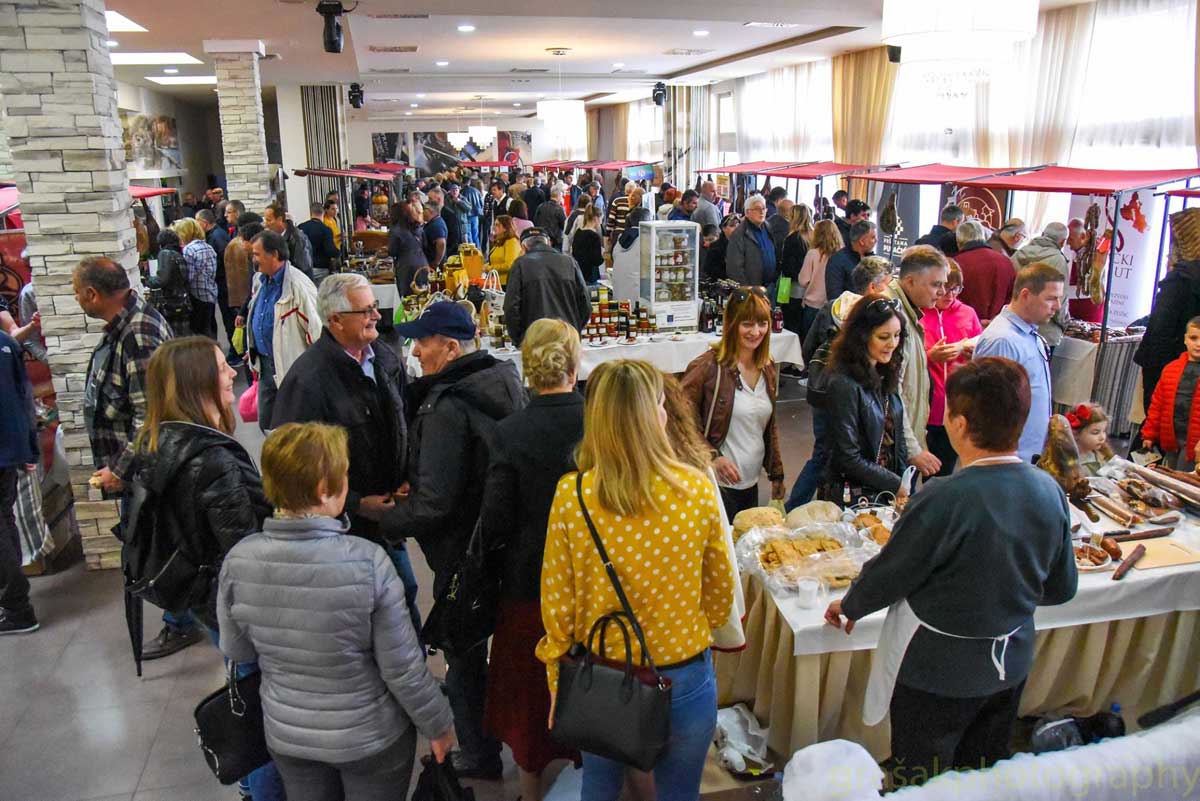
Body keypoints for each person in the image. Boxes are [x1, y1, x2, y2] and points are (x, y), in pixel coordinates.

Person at [825, 357, 1077, 787]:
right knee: (984, 774)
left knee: (922, 777)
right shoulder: (1048, 489)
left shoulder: (944, 497)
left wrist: (850, 605)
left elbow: (893, 571)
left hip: (937, 671)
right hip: (1010, 663)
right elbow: (1061, 588)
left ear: (957, 425)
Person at [217, 423, 455, 801]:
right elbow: (403, 670)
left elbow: (238, 651)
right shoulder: (369, 563)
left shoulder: (238, 561)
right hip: (370, 739)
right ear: (324, 490)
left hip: (289, 736)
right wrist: (439, 725)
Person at [535, 359, 734, 801]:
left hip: (603, 677)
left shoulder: (573, 495)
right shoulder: (697, 489)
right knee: (680, 793)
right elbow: (720, 593)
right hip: (684, 677)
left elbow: (557, 605)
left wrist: (556, 680)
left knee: (600, 787)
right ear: (654, 415)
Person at [361, 302, 525, 780]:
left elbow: (434, 504)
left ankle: (476, 752)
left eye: (423, 342)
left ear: (451, 347)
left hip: (463, 551)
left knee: (464, 649)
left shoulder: (445, 405)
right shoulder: (502, 380)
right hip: (505, 538)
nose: (414, 351)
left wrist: (382, 517)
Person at [130, 336, 285, 799]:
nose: (231, 373)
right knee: (256, 707)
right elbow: (245, 550)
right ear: (198, 383)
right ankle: (260, 790)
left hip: (202, 598)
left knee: (241, 686)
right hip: (233, 605)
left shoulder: (157, 440)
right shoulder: (213, 457)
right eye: (221, 367)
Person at [271, 273, 421, 631]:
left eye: (374, 308)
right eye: (365, 310)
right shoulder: (308, 380)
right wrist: (355, 503)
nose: (377, 317)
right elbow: (294, 471)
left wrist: (408, 477)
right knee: (370, 612)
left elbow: (407, 422)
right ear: (335, 319)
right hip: (343, 530)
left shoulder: (384, 358)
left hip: (387, 520)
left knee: (403, 594)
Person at [480, 320, 585, 801]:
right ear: (574, 361)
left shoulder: (509, 432)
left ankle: (530, 791)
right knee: (592, 685)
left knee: (528, 695)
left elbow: (496, 519)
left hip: (529, 579)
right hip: (592, 578)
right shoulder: (598, 420)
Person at [681, 287, 784, 518]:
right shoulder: (707, 367)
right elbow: (680, 422)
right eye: (747, 323)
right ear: (731, 323)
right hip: (716, 486)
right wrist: (712, 457)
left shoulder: (767, 367)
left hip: (751, 483)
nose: (755, 332)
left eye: (762, 323)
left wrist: (776, 474)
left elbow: (770, 426)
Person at [818, 295, 909, 506]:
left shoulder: (885, 372)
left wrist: (904, 480)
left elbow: (898, 436)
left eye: (897, 336)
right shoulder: (843, 383)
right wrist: (895, 483)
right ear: (862, 336)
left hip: (884, 491)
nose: (892, 344)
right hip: (854, 497)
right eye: (883, 337)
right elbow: (847, 456)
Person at [973, 262, 1063, 463]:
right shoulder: (1003, 340)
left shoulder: (1031, 335)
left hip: (1026, 457)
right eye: (1051, 298)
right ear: (1025, 295)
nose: (1057, 307)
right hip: (1007, 461)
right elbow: (989, 407)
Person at [238, 230, 323, 433]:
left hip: (292, 370)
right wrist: (254, 345)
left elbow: (316, 330)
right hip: (266, 367)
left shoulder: (299, 287)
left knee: (294, 427)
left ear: (274, 254)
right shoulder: (260, 280)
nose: (254, 259)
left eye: (257, 254)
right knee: (268, 424)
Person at [886, 245, 951, 479]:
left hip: (901, 444)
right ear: (910, 281)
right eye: (936, 284)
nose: (942, 292)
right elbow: (891, 392)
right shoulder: (892, 317)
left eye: (944, 284)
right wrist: (913, 449)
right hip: (891, 451)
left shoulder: (907, 312)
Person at [1134, 207, 1200, 410]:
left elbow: (1160, 327)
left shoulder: (1180, 279)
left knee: (1159, 417)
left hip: (1166, 362)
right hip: (1185, 359)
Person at [922, 264, 982, 476]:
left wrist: (968, 350)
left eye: (956, 289)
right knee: (909, 474)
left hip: (956, 406)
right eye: (946, 288)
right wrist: (930, 356)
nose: (950, 295)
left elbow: (981, 348)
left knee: (943, 473)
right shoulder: (919, 312)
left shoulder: (968, 313)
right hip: (924, 407)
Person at [0, 329, 39, 635]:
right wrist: (29, 444)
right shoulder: (6, 342)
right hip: (11, 448)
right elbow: (24, 395)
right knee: (5, 519)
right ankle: (14, 601)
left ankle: (17, 607)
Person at [503, 228, 592, 346]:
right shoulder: (569, 262)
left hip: (536, 341)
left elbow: (511, 307)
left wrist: (520, 339)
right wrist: (574, 329)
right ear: (548, 242)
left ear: (523, 248)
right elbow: (585, 305)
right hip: (567, 340)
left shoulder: (520, 265)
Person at [1141, 317, 1200, 471]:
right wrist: (1149, 433)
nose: (1198, 344)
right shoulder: (1171, 369)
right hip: (1171, 439)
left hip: (1195, 443)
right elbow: (1158, 404)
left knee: (1184, 481)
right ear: (1185, 339)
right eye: (1194, 338)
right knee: (1172, 475)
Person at [1012, 222, 1072, 351]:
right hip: (1045, 332)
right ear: (1062, 242)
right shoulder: (1058, 260)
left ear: (1043, 234)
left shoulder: (1018, 254)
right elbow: (1059, 302)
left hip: (1017, 326)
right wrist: (1065, 323)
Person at [955, 218, 1016, 328]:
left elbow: (952, 298)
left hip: (965, 326)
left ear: (959, 241)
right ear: (983, 236)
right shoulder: (1005, 261)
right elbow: (1013, 296)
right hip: (999, 325)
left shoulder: (956, 264)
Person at [793, 219, 843, 343]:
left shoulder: (813, 254)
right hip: (834, 306)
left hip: (812, 305)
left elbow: (803, 280)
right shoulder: (841, 255)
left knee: (809, 343)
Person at [174, 218, 220, 340]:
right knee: (210, 328)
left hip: (197, 294)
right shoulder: (207, 246)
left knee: (199, 332)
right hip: (210, 292)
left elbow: (189, 276)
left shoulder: (189, 249)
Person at [196, 209, 236, 343]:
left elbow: (226, 259)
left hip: (225, 283)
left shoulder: (217, 236)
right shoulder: (215, 234)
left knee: (229, 318)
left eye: (197, 222)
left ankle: (236, 352)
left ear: (204, 222)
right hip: (223, 282)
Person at [146, 229, 192, 336]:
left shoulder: (165, 253)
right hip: (183, 301)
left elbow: (162, 280)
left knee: (172, 337)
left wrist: (147, 280)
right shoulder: (178, 254)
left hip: (171, 303)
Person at [726, 195, 777, 289]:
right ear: (747, 212)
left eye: (763, 208)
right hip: (751, 289)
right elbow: (734, 268)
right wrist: (747, 289)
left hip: (770, 286)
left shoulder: (768, 227)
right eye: (757, 209)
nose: (761, 212)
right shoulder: (739, 234)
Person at [825, 220, 877, 299]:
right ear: (862, 241)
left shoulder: (873, 259)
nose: (876, 240)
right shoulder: (837, 260)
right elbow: (834, 296)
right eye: (873, 237)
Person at [610, 207, 653, 303]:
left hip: (620, 289)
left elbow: (614, 256)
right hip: (638, 291)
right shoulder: (648, 238)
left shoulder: (622, 237)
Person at [264, 202, 314, 281]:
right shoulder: (275, 237)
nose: (265, 224)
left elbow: (303, 267)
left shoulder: (297, 238)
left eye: (268, 220)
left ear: (280, 220)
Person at [387, 202, 427, 297]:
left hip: (406, 266)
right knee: (424, 295)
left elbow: (392, 251)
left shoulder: (396, 230)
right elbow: (425, 245)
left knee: (408, 298)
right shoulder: (418, 228)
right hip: (422, 263)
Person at [1068, 403, 1114, 476]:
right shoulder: (1069, 461)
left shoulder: (1102, 455)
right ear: (1075, 433)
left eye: (1104, 431)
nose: (1102, 437)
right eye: (1095, 432)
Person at [299, 202, 340, 284]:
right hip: (321, 268)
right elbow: (330, 250)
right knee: (321, 294)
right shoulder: (325, 230)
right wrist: (339, 252)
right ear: (323, 212)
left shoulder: (300, 227)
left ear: (311, 213)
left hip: (304, 269)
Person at [568, 203, 604, 285]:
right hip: (591, 275)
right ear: (596, 218)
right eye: (601, 219)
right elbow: (597, 260)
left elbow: (574, 252)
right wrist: (602, 257)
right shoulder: (594, 236)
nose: (601, 222)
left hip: (579, 273)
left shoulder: (578, 232)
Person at [487, 215, 523, 284]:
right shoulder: (500, 240)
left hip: (506, 283)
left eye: (497, 225)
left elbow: (509, 265)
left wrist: (489, 268)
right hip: (497, 281)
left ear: (505, 228)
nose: (494, 227)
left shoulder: (511, 242)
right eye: (494, 224)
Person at [704, 214, 739, 281]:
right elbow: (709, 271)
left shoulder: (745, 245)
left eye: (738, 225)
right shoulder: (715, 248)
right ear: (723, 228)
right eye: (732, 226)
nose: (736, 228)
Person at [605, 181, 638, 250]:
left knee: (615, 256)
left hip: (617, 234)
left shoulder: (617, 201)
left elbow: (611, 219)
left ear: (625, 190)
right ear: (634, 191)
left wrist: (608, 233)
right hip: (630, 235)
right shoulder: (635, 202)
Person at [442, 183, 471, 253]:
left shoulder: (463, 198)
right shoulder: (446, 199)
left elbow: (469, 208)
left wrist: (459, 202)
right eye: (453, 190)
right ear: (450, 191)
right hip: (451, 227)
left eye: (456, 190)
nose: (455, 192)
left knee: (465, 246)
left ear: (459, 190)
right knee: (453, 246)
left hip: (462, 226)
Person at [463, 178, 485, 248]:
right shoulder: (476, 191)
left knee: (469, 235)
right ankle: (478, 251)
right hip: (476, 216)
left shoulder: (463, 191)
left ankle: (472, 253)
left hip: (467, 216)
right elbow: (481, 204)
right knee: (475, 235)